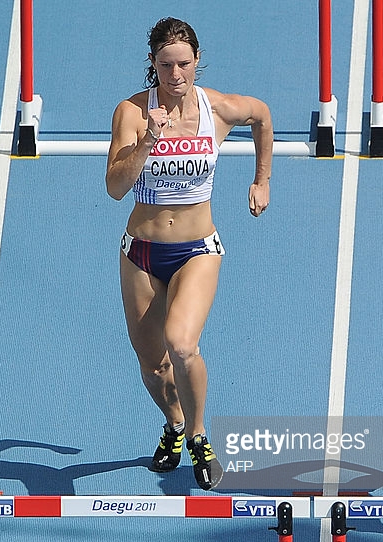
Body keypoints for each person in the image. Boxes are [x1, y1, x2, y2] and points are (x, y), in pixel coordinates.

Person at [105, 17, 272, 490]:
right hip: (140, 252)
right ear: (152, 65)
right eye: (165, 66)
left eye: (184, 64)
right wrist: (148, 144)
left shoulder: (216, 108)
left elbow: (262, 116)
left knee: (182, 344)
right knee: (152, 364)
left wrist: (262, 179)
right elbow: (116, 187)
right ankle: (175, 423)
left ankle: (199, 435)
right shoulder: (133, 113)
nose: (175, 76)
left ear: (197, 61)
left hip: (197, 249)